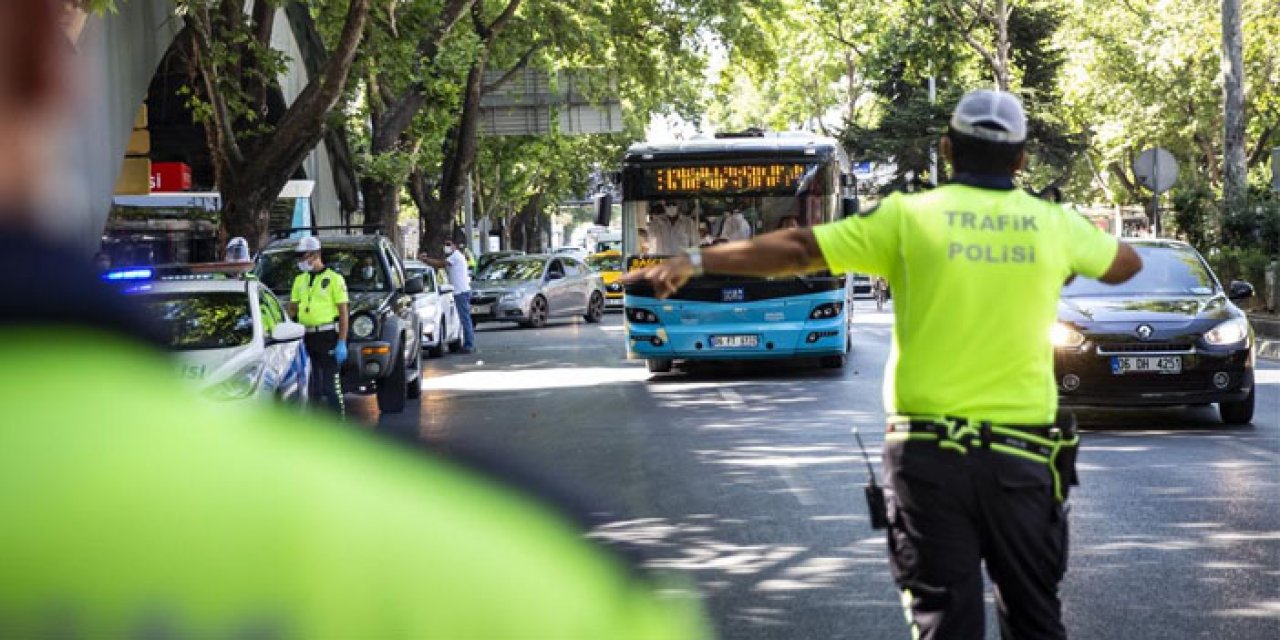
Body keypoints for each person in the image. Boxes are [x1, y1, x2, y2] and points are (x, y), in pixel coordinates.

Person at [0, 3, 707, 636]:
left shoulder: (335, 280)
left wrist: (336, 336)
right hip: (306, 354)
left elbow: (338, 308)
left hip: (320, 341)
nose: (307, 258)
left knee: (335, 392)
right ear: (45, 56)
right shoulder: (534, 580)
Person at [624, 89, 1142, 640]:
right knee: (1037, 621)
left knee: (944, 622)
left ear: (947, 150)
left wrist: (699, 258)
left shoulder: (908, 217)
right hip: (1024, 458)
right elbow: (1124, 264)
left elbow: (800, 249)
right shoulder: (1051, 224)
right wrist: (1055, 261)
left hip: (928, 461)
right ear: (1020, 159)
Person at [289, 235, 350, 417]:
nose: (301, 260)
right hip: (306, 337)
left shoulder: (334, 279)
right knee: (311, 386)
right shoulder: (299, 280)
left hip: (327, 336)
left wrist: (342, 342)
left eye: (304, 255)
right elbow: (292, 309)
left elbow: (343, 312)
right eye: (299, 256)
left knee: (331, 386)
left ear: (316, 254)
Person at [419, 239, 474, 353]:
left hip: (461, 292)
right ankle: (469, 343)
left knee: (465, 319)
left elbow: (440, 264)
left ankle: (469, 345)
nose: (446, 247)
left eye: (449, 244)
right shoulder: (455, 256)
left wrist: (426, 260)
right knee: (465, 319)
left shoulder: (456, 256)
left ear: (455, 245)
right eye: (445, 244)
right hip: (461, 291)